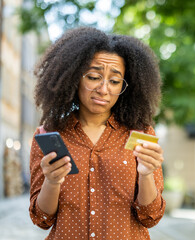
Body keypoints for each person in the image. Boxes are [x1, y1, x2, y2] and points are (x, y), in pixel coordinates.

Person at [29, 27, 166, 239]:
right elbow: (42, 219)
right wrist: (52, 181)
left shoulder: (140, 134)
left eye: (114, 81)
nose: (104, 89)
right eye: (93, 77)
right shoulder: (50, 135)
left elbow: (151, 216)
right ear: (74, 78)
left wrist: (146, 174)